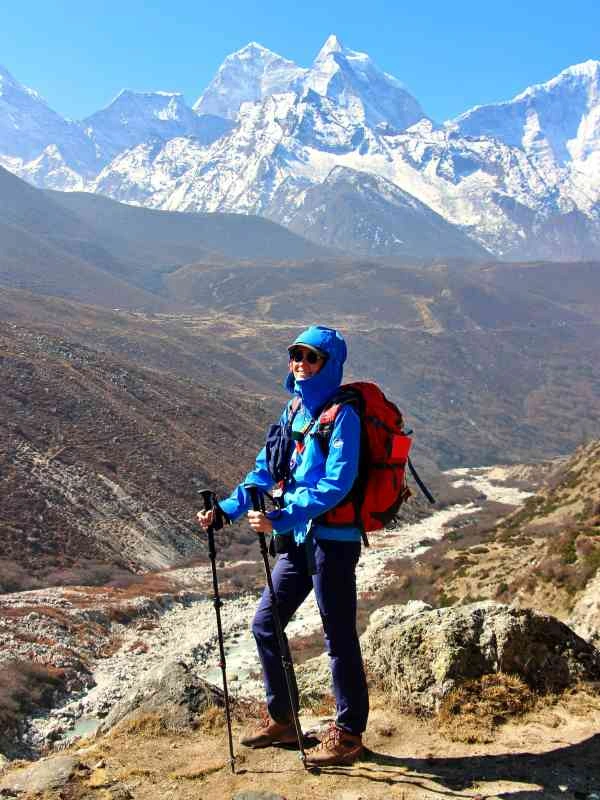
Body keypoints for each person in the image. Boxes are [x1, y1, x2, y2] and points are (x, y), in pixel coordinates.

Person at [197, 325, 368, 767]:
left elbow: (337, 484)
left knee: (338, 636)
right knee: (265, 624)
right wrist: (226, 511)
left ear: (330, 365)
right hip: (296, 538)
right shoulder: (293, 409)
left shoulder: (344, 415)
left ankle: (349, 735)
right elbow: (263, 472)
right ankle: (285, 719)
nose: (301, 363)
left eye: (312, 357)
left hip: (333, 539)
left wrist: (282, 515)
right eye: (296, 355)